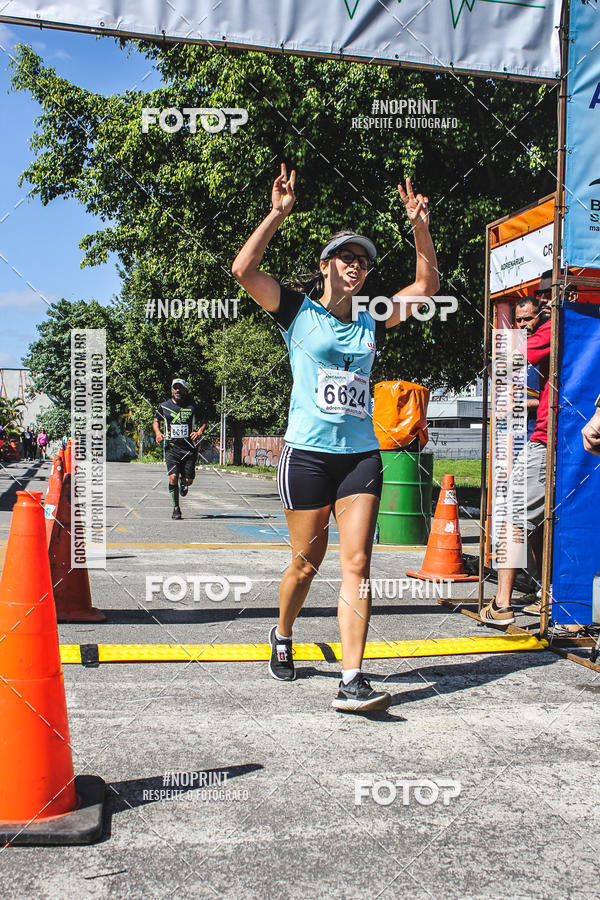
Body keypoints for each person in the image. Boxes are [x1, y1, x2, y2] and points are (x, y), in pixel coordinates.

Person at [231, 164, 439, 712]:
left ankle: (352, 678)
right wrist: (277, 214)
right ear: (326, 265)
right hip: (306, 456)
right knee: (306, 561)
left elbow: (426, 287)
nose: (357, 266)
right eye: (347, 257)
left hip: (358, 457)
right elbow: (243, 269)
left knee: (358, 563)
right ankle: (282, 633)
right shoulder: (296, 311)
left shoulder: (372, 316)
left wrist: (420, 228)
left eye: (364, 261)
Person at [481, 296, 551, 624]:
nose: (523, 326)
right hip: (557, 439)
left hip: (547, 440)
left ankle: (502, 604)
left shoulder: (554, 327)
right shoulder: (573, 327)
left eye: (528, 319)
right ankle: (546, 593)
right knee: (540, 521)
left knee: (513, 514)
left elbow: (510, 360)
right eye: (519, 320)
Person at [153, 379, 206, 520]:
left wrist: (199, 431)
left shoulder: (193, 405)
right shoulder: (164, 406)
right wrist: (158, 433)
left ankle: (184, 483)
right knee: (173, 477)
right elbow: (156, 420)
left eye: (180, 388)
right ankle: (176, 508)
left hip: (189, 448)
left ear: (185, 390)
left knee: (188, 480)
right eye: (175, 388)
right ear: (171, 390)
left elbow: (203, 420)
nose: (177, 390)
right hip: (171, 448)